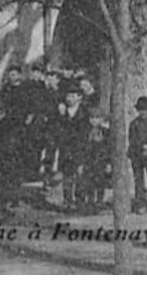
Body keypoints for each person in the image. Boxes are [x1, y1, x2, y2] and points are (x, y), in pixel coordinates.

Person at [51, 83, 93, 211]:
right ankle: (68, 200)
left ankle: (80, 201)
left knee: (80, 174)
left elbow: (86, 132)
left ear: (79, 97)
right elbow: (57, 129)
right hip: (65, 148)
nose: (69, 98)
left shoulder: (85, 112)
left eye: (72, 96)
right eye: (68, 96)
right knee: (67, 175)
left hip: (80, 148)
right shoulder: (61, 112)